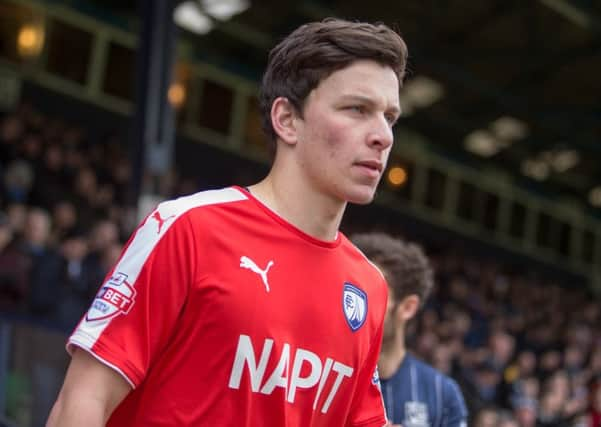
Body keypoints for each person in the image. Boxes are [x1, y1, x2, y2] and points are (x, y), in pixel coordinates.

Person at [47, 18, 408, 426]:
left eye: (389, 117)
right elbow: (83, 401)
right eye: (357, 109)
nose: (383, 135)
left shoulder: (369, 287)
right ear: (287, 120)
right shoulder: (189, 228)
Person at [351, 232, 468, 427]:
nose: (358, 300)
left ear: (407, 307)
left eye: (373, 291)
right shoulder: (327, 374)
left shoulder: (442, 394)